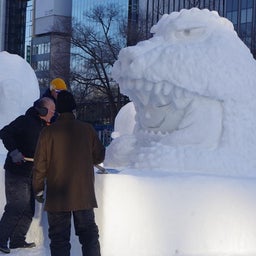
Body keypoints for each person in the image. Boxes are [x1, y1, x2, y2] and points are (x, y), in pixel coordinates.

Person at [32, 91, 105, 256]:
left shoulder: (47, 133)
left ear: (58, 110)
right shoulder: (87, 129)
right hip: (83, 193)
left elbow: (40, 165)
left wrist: (38, 189)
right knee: (89, 236)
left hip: (58, 195)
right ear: (74, 109)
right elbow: (99, 155)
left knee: (59, 239)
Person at [0, 97, 56, 254]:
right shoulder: (24, 121)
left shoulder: (46, 126)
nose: (53, 114)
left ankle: (17, 241)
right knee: (17, 205)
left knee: (29, 208)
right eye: (51, 111)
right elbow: (4, 132)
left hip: (33, 172)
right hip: (17, 172)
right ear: (42, 110)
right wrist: (14, 152)